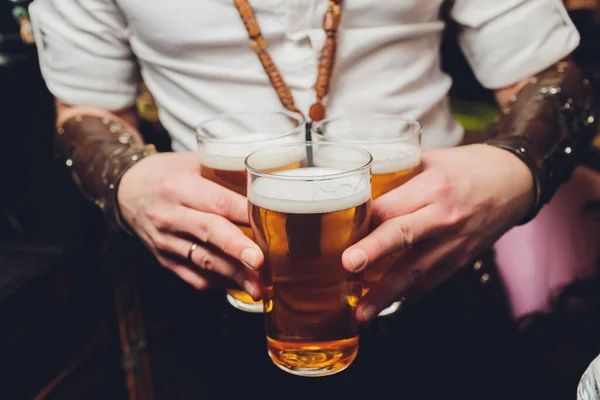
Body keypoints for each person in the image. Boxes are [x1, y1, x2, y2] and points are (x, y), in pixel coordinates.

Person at [27, 0, 598, 398]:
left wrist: (515, 170)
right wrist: (128, 180)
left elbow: (550, 76)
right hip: (218, 293)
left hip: (439, 266)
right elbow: (85, 108)